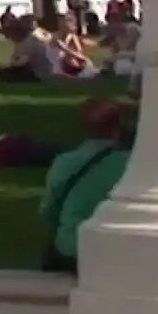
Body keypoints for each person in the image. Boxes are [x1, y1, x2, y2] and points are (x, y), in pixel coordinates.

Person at [40, 98, 133, 273]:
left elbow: (48, 210)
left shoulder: (65, 163)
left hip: (72, 248)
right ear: (118, 127)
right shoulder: (133, 165)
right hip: (118, 248)